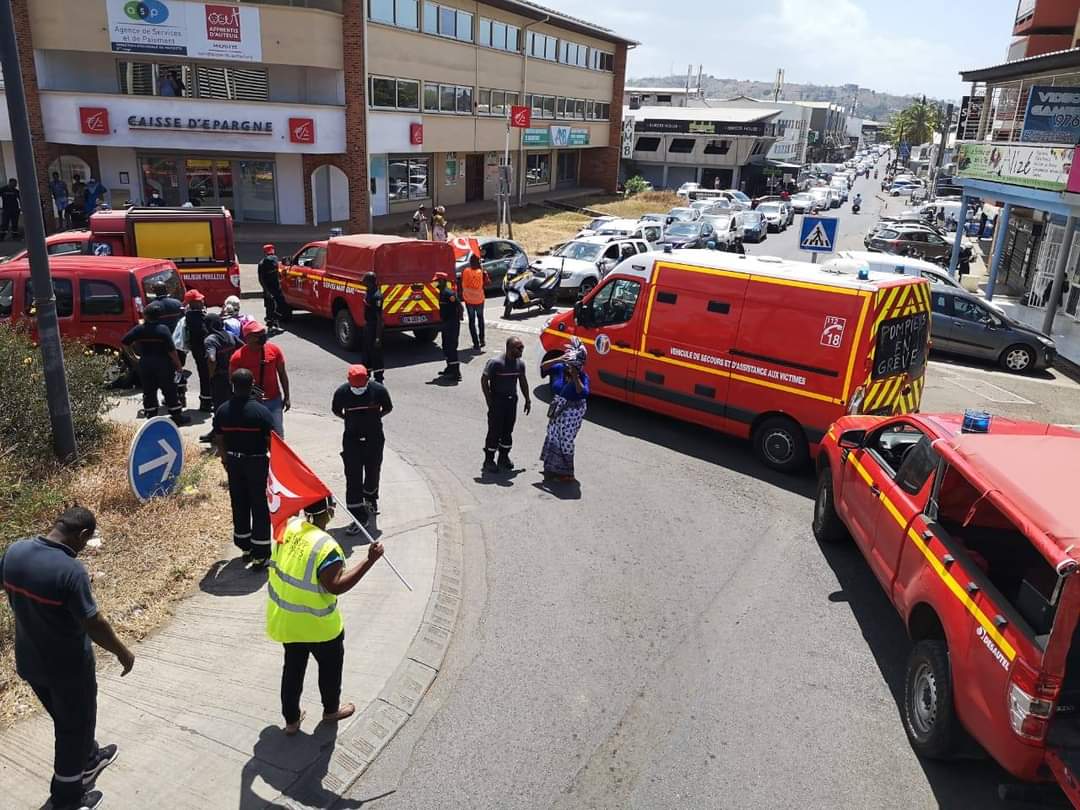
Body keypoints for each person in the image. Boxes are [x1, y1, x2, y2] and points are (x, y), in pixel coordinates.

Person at [0, 506, 134, 810]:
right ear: (83, 535)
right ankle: (67, 799)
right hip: (68, 671)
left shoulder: (16, 551)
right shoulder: (71, 570)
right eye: (86, 541)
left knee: (69, 719)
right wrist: (122, 652)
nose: (84, 547)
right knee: (73, 730)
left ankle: (89, 759)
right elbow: (94, 622)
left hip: (30, 664)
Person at [267, 496, 384, 736]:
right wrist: (369, 560)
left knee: (293, 669)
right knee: (330, 670)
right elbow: (335, 585)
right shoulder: (326, 547)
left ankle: (291, 721)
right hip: (320, 627)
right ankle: (331, 711)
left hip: (288, 622)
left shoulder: (289, 526)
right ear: (330, 511)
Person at [214, 368, 274, 567]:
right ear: (252, 385)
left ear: (233, 386)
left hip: (234, 462)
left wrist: (225, 460)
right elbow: (271, 442)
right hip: (257, 463)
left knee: (239, 503)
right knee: (259, 505)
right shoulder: (261, 412)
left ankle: (245, 546)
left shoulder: (222, 411)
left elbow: (219, 438)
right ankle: (261, 553)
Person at [332, 364, 393, 530]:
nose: (359, 389)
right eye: (355, 386)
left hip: (374, 439)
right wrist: (352, 421)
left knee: (373, 471)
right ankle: (359, 516)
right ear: (348, 380)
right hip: (351, 440)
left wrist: (373, 418)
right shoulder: (341, 393)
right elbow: (336, 410)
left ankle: (371, 498)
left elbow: (388, 408)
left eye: (362, 385)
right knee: (353, 476)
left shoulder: (379, 390)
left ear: (367, 378)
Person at [121, 300, 189, 425]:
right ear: (159, 316)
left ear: (146, 316)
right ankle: (177, 417)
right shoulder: (163, 330)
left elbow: (124, 342)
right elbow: (172, 351)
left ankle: (151, 418)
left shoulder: (139, 329)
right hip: (163, 364)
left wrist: (133, 357)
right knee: (169, 390)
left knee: (149, 391)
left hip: (145, 364)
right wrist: (178, 366)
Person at [539, 338, 590, 482]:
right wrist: (559, 359)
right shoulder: (559, 368)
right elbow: (544, 367)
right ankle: (550, 468)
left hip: (573, 411)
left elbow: (583, 392)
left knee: (566, 440)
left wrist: (575, 377)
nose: (569, 367)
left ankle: (566, 473)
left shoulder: (582, 376)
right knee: (553, 436)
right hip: (558, 407)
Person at [229, 320, 291, 437]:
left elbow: (282, 373)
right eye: (257, 334)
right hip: (250, 403)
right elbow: (233, 382)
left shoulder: (274, 350)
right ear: (248, 337)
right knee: (255, 435)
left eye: (262, 332)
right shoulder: (237, 357)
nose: (262, 336)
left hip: (273, 400)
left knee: (277, 434)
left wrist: (287, 396)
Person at [480, 336, 531, 473]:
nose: (521, 350)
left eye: (522, 347)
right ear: (510, 348)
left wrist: (527, 399)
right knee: (494, 431)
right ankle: (489, 460)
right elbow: (484, 381)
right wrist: (489, 400)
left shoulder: (520, 364)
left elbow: (523, 381)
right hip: (498, 401)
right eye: (519, 348)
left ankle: (503, 457)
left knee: (508, 431)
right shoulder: (496, 363)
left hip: (511, 401)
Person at [199, 313, 243, 443]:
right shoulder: (230, 335)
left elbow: (212, 359)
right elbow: (243, 348)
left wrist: (211, 374)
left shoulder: (210, 340)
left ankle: (219, 433)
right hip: (233, 376)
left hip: (220, 378)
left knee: (219, 407)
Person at [183, 289, 212, 413]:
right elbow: (202, 333)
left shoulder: (191, 315)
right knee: (206, 376)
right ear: (193, 303)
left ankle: (207, 400)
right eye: (200, 300)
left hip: (198, 350)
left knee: (205, 375)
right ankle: (206, 403)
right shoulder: (196, 318)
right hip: (201, 350)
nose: (203, 301)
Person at [434, 271, 462, 381]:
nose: (435, 283)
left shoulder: (448, 293)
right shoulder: (442, 293)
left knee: (451, 347)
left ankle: (456, 372)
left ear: (442, 281)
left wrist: (457, 318)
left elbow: (459, 306)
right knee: (445, 346)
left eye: (437, 281)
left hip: (452, 324)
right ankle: (450, 367)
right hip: (446, 323)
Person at [257, 244, 289, 332]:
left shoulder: (262, 263)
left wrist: (266, 290)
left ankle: (271, 320)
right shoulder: (275, 259)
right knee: (279, 305)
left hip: (269, 288)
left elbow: (261, 279)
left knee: (270, 307)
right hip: (274, 287)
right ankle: (272, 320)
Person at [461, 253, 489, 350]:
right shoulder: (480, 272)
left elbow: (463, 283)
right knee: (480, 319)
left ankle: (475, 342)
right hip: (479, 298)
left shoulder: (466, 271)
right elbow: (484, 283)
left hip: (468, 299)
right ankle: (482, 339)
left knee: (471, 321)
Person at [361, 272, 385, 383]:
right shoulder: (369, 292)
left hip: (374, 328)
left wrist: (378, 337)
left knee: (376, 354)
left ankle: (379, 378)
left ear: (370, 281)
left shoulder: (376, 296)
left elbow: (379, 318)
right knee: (366, 353)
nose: (362, 281)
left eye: (365, 279)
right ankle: (366, 374)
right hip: (368, 327)